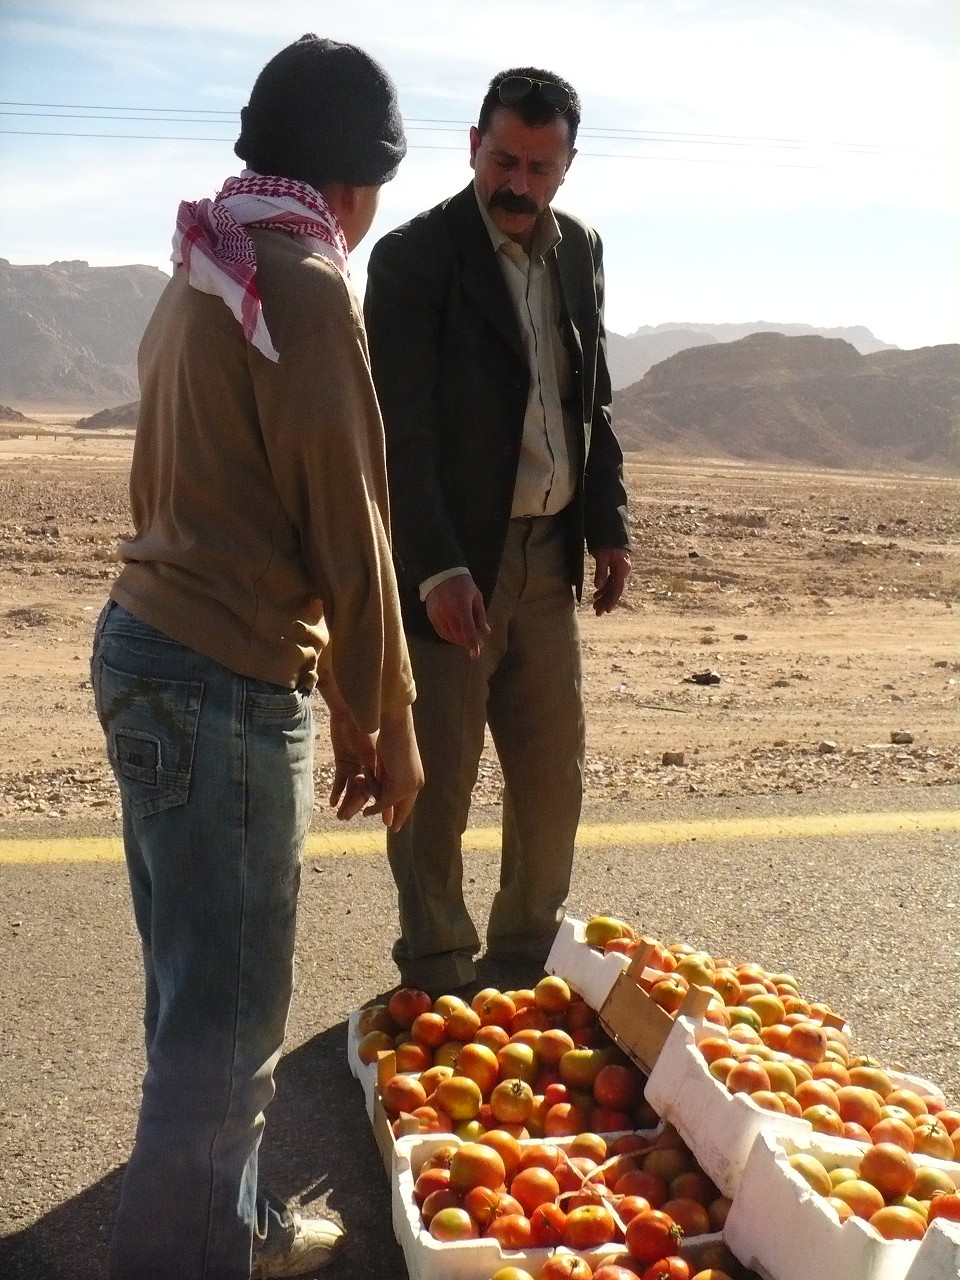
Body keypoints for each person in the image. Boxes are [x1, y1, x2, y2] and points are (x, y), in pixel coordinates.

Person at [90, 34, 422, 1280]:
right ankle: (188, 1252)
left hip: (148, 644)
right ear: (354, 183)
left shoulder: (205, 263)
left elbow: (248, 514)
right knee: (224, 1032)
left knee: (198, 997)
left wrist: (341, 701)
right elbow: (349, 522)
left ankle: (222, 1218)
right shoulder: (304, 281)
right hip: (218, 678)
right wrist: (393, 719)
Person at [364, 67, 631, 998]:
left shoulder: (580, 250)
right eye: (503, 160)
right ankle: (437, 970)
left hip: (548, 558)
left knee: (552, 775)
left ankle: (525, 964)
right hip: (455, 562)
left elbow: (592, 398)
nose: (518, 184)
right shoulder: (414, 258)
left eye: (539, 168)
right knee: (437, 780)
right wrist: (436, 567)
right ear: (473, 144)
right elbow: (399, 431)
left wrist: (608, 524)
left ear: (567, 165)